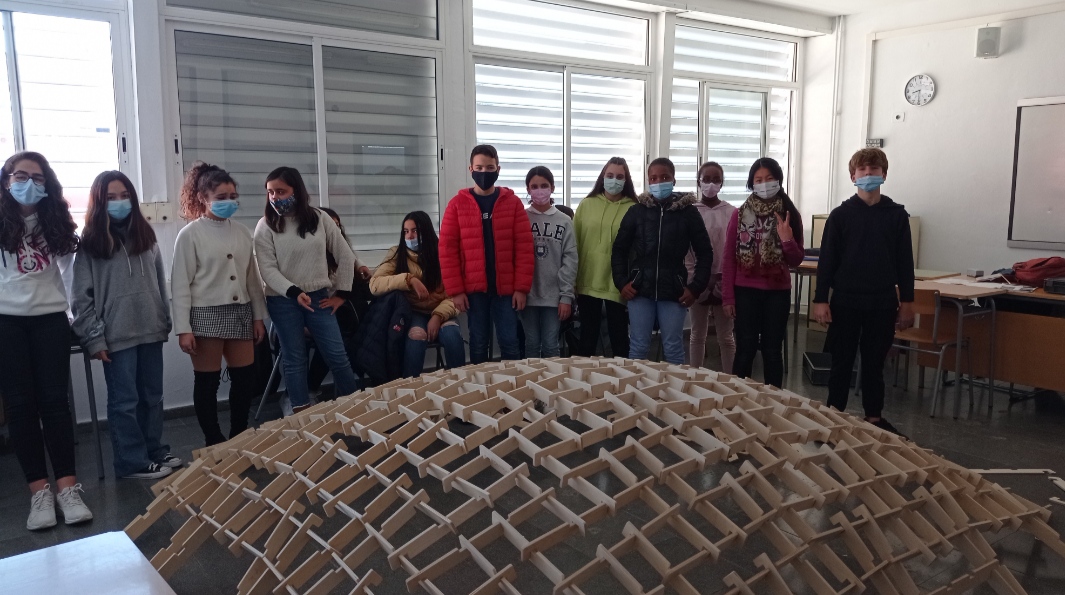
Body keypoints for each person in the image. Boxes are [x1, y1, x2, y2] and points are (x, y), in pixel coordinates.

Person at [0, 151, 93, 530]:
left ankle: (68, 491)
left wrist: (74, 318)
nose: (29, 183)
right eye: (20, 176)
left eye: (37, 178)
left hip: (51, 321)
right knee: (21, 407)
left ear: (47, 183)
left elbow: (70, 277)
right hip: (6, 323)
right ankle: (39, 494)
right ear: (6, 181)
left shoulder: (55, 222)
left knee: (55, 405)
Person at [72, 171, 180, 480]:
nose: (119, 202)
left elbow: (159, 283)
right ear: (99, 202)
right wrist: (94, 338)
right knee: (125, 402)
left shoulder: (146, 237)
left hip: (150, 330)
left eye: (124, 196)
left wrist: (164, 321)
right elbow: (81, 298)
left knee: (153, 397)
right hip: (115, 336)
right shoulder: (90, 244)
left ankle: (154, 450)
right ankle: (131, 461)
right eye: (111, 198)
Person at [813, 148, 915, 435]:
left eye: (874, 169)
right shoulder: (840, 216)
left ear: (884, 174)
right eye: (862, 170)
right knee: (841, 361)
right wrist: (820, 299)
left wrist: (907, 302)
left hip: (882, 301)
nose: (868, 174)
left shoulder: (896, 215)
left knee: (874, 363)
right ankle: (834, 416)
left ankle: (874, 418)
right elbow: (827, 261)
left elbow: (905, 262)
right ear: (852, 176)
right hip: (846, 300)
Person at [254, 166, 368, 413]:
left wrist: (341, 295)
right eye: (270, 192)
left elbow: (345, 256)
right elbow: (267, 270)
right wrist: (294, 292)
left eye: (281, 191)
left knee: (337, 356)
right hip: (283, 301)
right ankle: (300, 412)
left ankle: (355, 411)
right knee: (295, 359)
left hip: (318, 298)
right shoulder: (265, 226)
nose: (275, 197)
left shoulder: (320, 218)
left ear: (296, 190)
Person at [172, 162, 267, 445]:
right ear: (203, 198)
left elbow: (252, 278)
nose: (229, 202)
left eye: (233, 196)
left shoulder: (242, 232)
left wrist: (258, 317)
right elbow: (180, 284)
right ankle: (213, 439)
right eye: (221, 197)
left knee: (245, 378)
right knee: (208, 381)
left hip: (240, 312)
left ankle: (239, 434)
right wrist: (183, 329)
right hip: (205, 314)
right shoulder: (189, 234)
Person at [612, 157, 713, 365]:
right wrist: (621, 282)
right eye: (654, 178)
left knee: (673, 348)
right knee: (638, 346)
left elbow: (705, 252)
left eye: (665, 177)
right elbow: (619, 250)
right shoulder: (637, 211)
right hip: (640, 290)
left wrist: (695, 288)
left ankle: (674, 387)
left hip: (674, 291)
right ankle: (636, 386)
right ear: (648, 181)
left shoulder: (688, 213)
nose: (659, 182)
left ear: (674, 180)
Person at [439, 144, 534, 364]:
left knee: (510, 342)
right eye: (479, 168)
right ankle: (480, 385)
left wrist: (521, 288)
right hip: (474, 291)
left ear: (498, 169)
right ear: (470, 169)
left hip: (506, 291)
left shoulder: (512, 203)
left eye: (490, 167)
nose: (484, 172)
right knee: (478, 343)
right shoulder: (456, 205)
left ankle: (513, 383)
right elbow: (447, 251)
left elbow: (524, 248)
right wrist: (456, 291)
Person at [722, 157, 804, 387]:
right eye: (758, 180)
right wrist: (728, 297)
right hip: (745, 292)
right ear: (751, 184)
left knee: (772, 351)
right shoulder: (740, 215)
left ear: (778, 180)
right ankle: (739, 399)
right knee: (745, 349)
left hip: (777, 292)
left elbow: (796, 260)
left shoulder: (789, 214)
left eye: (769, 178)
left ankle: (773, 401)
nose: (764, 184)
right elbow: (728, 258)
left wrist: (787, 240)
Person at [370, 211, 466, 377]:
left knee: (452, 337)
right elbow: (375, 285)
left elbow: (455, 294)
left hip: (442, 310)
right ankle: (410, 387)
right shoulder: (397, 253)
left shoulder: (443, 252)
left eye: (414, 231)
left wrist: (437, 316)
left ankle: (460, 384)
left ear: (425, 231)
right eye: (406, 231)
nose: (410, 236)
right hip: (413, 312)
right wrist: (409, 279)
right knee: (416, 337)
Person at [572, 157, 637, 357]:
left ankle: (621, 377)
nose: (614, 180)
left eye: (619, 176)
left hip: (618, 284)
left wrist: (632, 281)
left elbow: (637, 250)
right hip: (587, 281)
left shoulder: (634, 208)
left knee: (619, 339)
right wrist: (572, 282)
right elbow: (575, 245)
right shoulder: (586, 204)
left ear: (626, 180)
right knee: (587, 339)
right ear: (602, 177)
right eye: (610, 175)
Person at [686, 161, 737, 371]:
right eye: (706, 179)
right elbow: (687, 251)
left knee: (726, 336)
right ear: (698, 182)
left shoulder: (732, 212)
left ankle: (731, 380)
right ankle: (694, 377)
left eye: (716, 180)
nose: (711, 184)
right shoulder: (690, 212)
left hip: (724, 282)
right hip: (697, 280)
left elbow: (734, 249)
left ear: (722, 183)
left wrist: (723, 278)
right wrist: (696, 279)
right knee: (697, 334)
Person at [522, 166, 578, 358]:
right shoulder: (521, 218)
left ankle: (553, 378)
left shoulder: (564, 221)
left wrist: (566, 296)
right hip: (528, 295)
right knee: (531, 344)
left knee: (550, 345)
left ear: (552, 188)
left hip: (554, 297)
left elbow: (570, 260)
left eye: (544, 185)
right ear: (528, 189)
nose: (540, 190)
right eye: (534, 186)